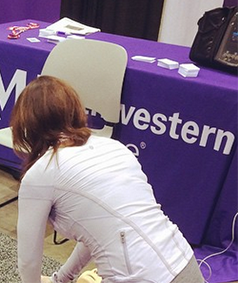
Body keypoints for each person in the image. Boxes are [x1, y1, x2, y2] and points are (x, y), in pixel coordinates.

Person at [11, 76, 204, 283]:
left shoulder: (41, 173)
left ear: (27, 126)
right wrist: (61, 279)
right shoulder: (114, 146)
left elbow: (28, 262)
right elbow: (98, 232)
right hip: (185, 262)